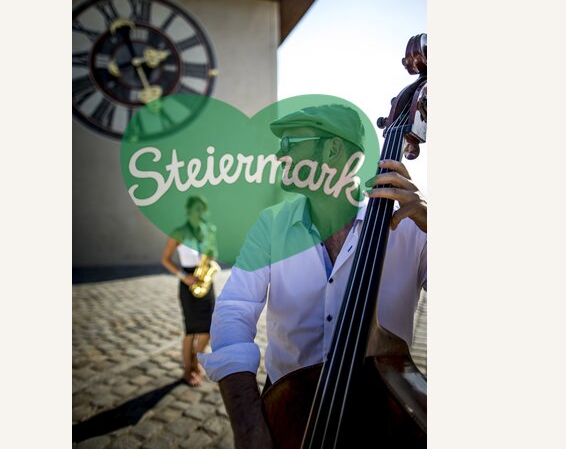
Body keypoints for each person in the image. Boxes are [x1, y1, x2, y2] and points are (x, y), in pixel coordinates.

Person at [198, 105, 427, 447]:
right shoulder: (271, 224)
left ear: (333, 149)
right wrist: (247, 425)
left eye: (290, 142)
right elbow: (234, 308)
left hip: (381, 410)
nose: (278, 155)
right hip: (287, 406)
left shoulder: (411, 226)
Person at [161, 195, 219, 386]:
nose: (200, 213)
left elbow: (213, 253)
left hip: (205, 281)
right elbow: (166, 259)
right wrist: (183, 276)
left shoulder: (209, 230)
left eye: (203, 209)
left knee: (208, 329)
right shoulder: (179, 232)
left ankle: (195, 360)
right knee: (190, 330)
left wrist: (210, 259)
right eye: (197, 209)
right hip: (188, 282)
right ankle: (188, 369)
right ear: (188, 211)